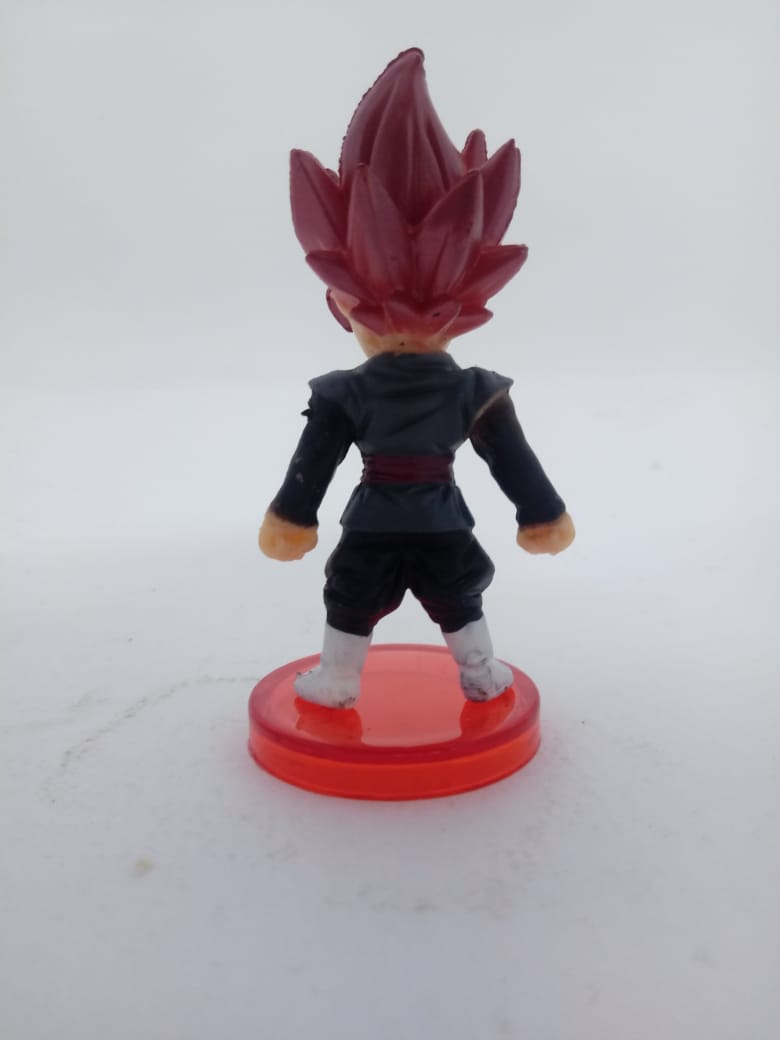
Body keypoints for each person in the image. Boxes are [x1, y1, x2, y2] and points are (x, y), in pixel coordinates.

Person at [259, 49, 575, 709]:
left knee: (357, 595)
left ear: (345, 303)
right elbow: (514, 461)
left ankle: (342, 678)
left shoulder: (345, 392)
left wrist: (292, 517)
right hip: (440, 520)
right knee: (455, 596)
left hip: (374, 520)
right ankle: (479, 673)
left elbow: (313, 462)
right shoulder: (474, 389)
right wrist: (542, 514)